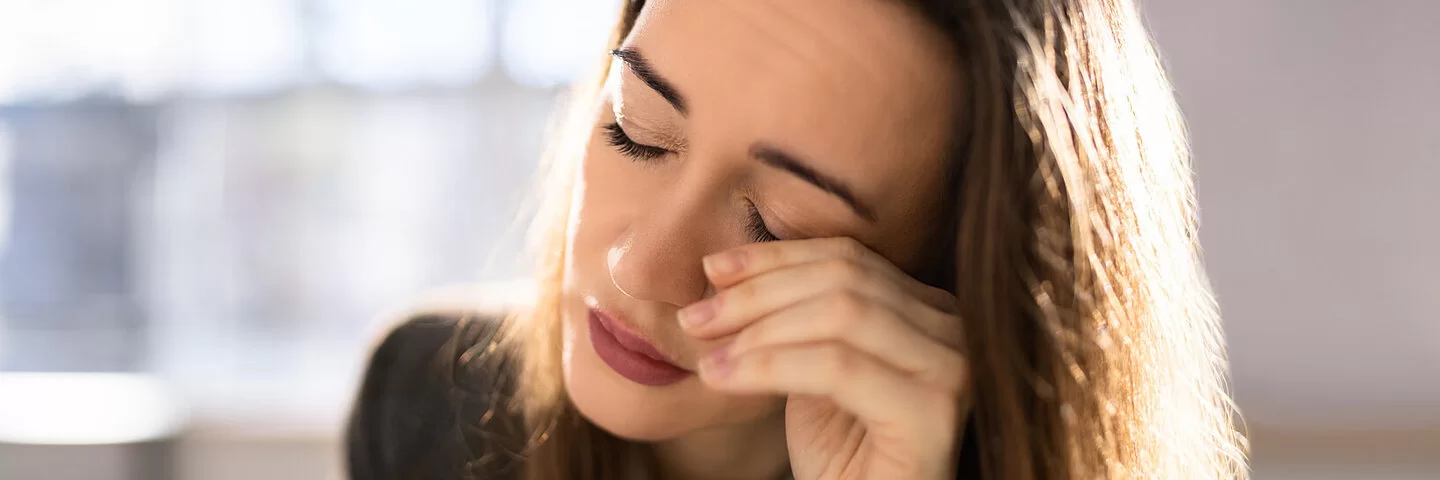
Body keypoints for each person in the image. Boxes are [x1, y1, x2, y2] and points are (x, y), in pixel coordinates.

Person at [346, 0, 1249, 478]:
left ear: (950, 275)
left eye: (777, 226)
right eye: (636, 130)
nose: (640, 269)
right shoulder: (429, 408)